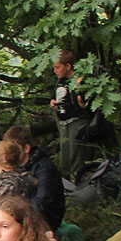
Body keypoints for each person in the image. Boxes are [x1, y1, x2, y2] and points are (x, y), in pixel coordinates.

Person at [3, 124, 65, 231]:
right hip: (22, 215)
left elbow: (42, 203)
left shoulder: (45, 168)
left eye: (14, 149)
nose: (10, 153)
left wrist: (14, 213)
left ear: (26, 148)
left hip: (45, 219)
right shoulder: (14, 167)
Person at [51, 49, 92, 179]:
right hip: (63, 122)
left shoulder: (79, 81)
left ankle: (78, 179)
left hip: (76, 120)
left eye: (58, 67)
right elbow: (56, 96)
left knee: (76, 153)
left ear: (68, 66)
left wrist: (82, 104)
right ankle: (66, 182)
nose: (55, 71)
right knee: (65, 154)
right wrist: (53, 102)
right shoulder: (59, 81)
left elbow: (86, 103)